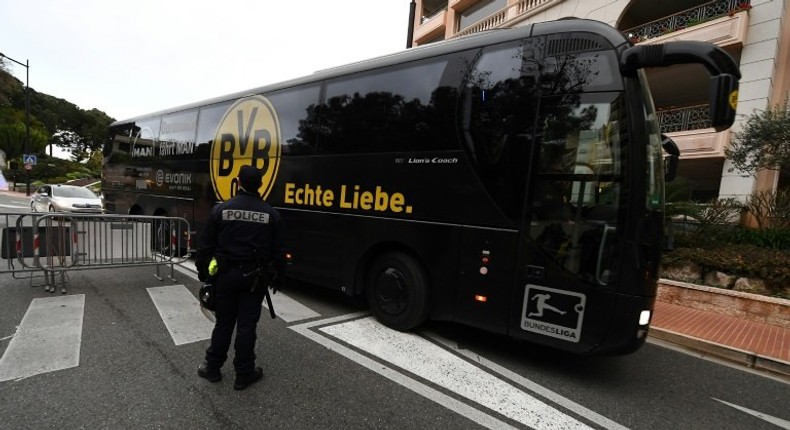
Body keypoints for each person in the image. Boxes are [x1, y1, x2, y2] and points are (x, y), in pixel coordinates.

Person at [195, 165, 287, 390]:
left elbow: (205, 246)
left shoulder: (221, 210)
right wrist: (278, 276)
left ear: (238, 182)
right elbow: (278, 252)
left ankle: (213, 368)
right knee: (247, 326)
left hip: (226, 276)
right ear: (261, 184)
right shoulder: (271, 214)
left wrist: (203, 272)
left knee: (224, 323)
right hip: (255, 279)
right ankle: (244, 373)